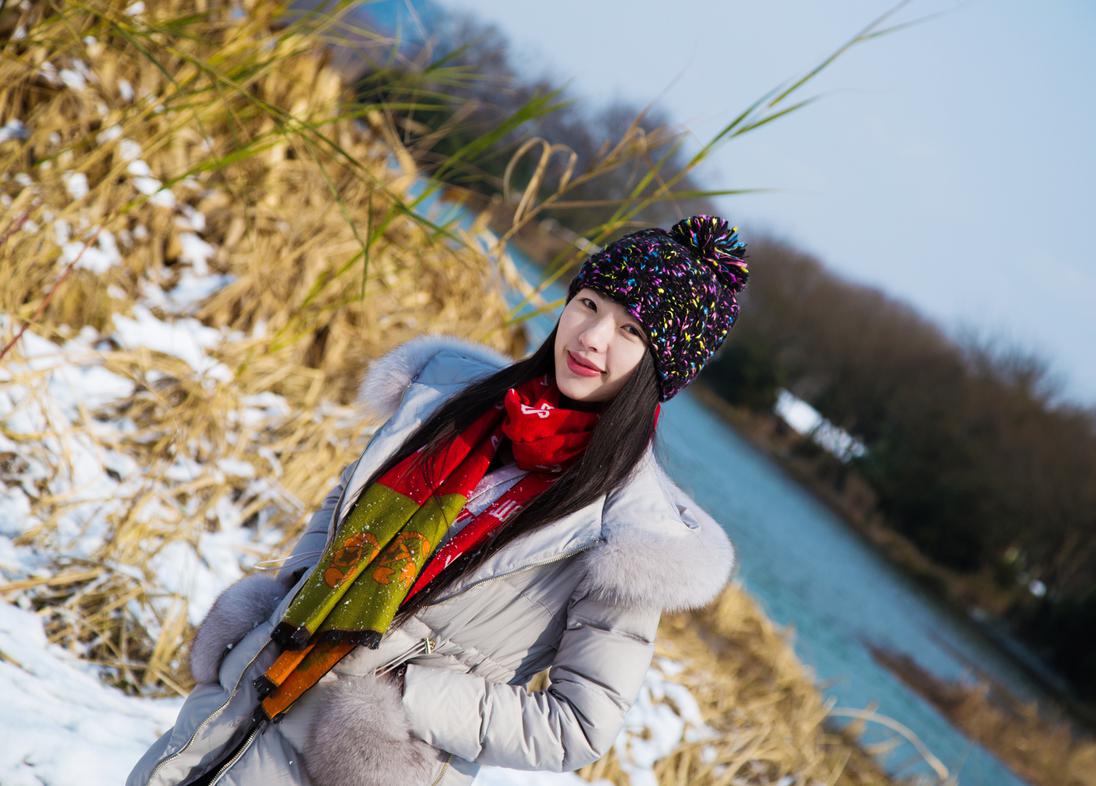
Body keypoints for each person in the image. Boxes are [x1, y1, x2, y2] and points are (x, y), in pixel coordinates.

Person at [127, 214, 749, 786]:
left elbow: (577, 727)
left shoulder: (631, 538)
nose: (591, 337)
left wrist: (406, 695)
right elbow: (346, 500)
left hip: (358, 764)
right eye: (588, 304)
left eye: (630, 331)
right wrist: (290, 594)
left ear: (660, 369)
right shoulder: (451, 401)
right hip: (234, 710)